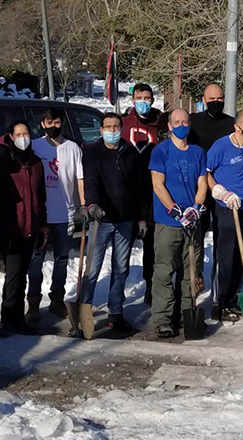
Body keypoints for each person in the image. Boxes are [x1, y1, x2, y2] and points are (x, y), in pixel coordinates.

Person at [80, 112, 150, 336]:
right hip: (102, 220)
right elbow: (90, 181)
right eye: (108, 127)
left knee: (121, 269)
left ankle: (116, 312)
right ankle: (85, 310)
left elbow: (140, 188)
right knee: (92, 268)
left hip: (126, 220)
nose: (112, 131)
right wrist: (92, 204)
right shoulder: (92, 153)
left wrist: (141, 217)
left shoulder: (130, 153)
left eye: (116, 127)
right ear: (101, 130)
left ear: (121, 128)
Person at [148, 109, 208, 338]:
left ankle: (187, 314)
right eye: (177, 122)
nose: (181, 125)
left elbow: (202, 183)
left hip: (192, 222)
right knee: (164, 271)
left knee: (191, 272)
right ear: (170, 126)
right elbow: (157, 184)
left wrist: (196, 207)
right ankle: (163, 318)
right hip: (168, 223)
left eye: (185, 121)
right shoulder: (161, 151)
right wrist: (174, 210)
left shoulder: (197, 152)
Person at [0, 120, 48, 337]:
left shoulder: (35, 162)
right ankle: (8, 320)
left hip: (31, 225)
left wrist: (43, 225)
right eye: (19, 134)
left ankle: (17, 319)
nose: (23, 137)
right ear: (11, 137)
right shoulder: (3, 161)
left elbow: (40, 195)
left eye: (26, 133)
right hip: (11, 225)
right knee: (14, 273)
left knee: (20, 273)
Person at [28, 109, 85, 321]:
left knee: (62, 260)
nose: (54, 125)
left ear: (62, 123)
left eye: (57, 121)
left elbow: (80, 179)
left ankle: (57, 300)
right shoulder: (35, 146)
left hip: (64, 215)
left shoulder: (73, 148)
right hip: (41, 216)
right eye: (49, 121)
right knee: (36, 261)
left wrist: (83, 206)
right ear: (43, 124)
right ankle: (33, 302)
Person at [207, 109, 243, 322]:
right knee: (226, 256)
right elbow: (206, 171)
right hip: (226, 207)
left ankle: (234, 299)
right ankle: (219, 301)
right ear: (237, 126)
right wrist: (220, 191)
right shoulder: (221, 146)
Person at [190, 84, 236, 293]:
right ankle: (195, 275)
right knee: (196, 236)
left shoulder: (230, 123)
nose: (216, 102)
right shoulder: (194, 123)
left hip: (223, 189)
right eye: (212, 99)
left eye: (220, 98)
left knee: (223, 237)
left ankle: (220, 281)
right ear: (203, 99)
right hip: (198, 188)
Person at [121, 83, 162, 305]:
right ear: (133, 100)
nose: (143, 101)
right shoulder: (124, 123)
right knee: (123, 245)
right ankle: (118, 290)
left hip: (152, 192)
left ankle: (150, 287)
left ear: (153, 100)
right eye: (139, 97)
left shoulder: (161, 122)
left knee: (151, 246)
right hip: (128, 192)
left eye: (147, 97)